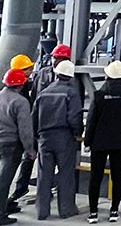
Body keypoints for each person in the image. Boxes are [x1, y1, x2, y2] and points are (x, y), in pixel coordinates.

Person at [0, 68, 36, 226]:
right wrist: (30, 149)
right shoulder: (20, 102)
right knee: (3, 182)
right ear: (21, 84)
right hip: (11, 146)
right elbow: (25, 130)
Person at [85, 61, 121, 224]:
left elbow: (92, 119)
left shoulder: (100, 95)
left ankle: (93, 213)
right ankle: (114, 211)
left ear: (108, 75)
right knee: (117, 176)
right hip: (120, 142)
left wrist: (87, 140)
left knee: (96, 177)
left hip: (99, 142)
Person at [32, 59, 83, 220]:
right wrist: (78, 133)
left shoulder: (44, 93)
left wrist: (37, 137)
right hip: (64, 138)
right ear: (71, 76)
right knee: (65, 174)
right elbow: (74, 117)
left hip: (44, 139)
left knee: (44, 175)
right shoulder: (71, 93)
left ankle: (42, 211)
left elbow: (33, 118)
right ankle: (66, 210)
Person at [7, 54, 37, 208]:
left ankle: (20, 189)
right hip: (15, 137)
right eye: (29, 68)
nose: (32, 70)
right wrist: (28, 145)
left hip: (11, 137)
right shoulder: (18, 94)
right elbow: (23, 122)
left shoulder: (20, 87)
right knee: (6, 173)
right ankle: (3, 205)